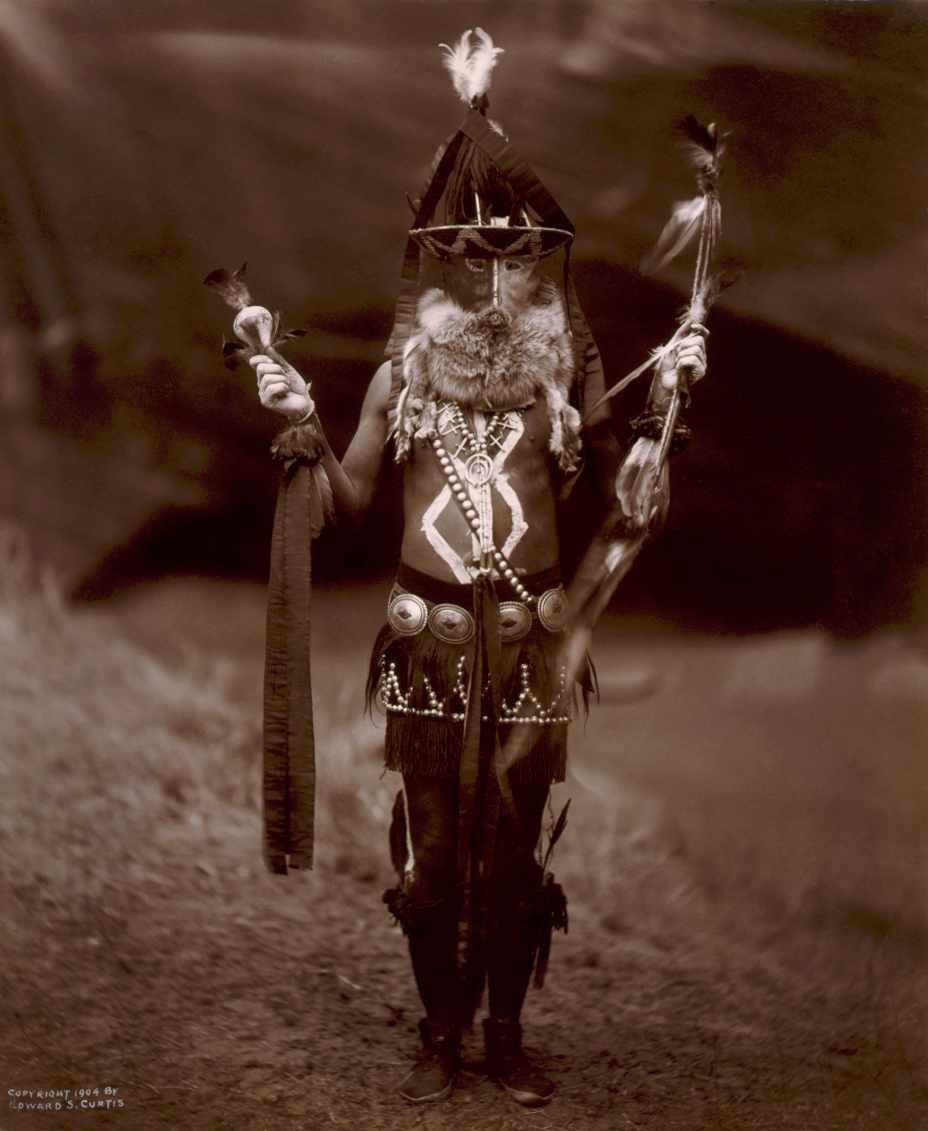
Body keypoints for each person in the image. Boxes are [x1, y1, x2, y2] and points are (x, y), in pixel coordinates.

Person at [249, 31, 706, 1108]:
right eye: (475, 255)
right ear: (442, 265)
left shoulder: (562, 388)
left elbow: (620, 492)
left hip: (533, 645)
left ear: (541, 272)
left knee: (513, 857)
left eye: (515, 256)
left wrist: (663, 421)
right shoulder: (397, 384)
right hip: (427, 640)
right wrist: (306, 439)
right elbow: (349, 504)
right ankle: (438, 1031)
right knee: (435, 851)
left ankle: (504, 1033)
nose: (496, 274)